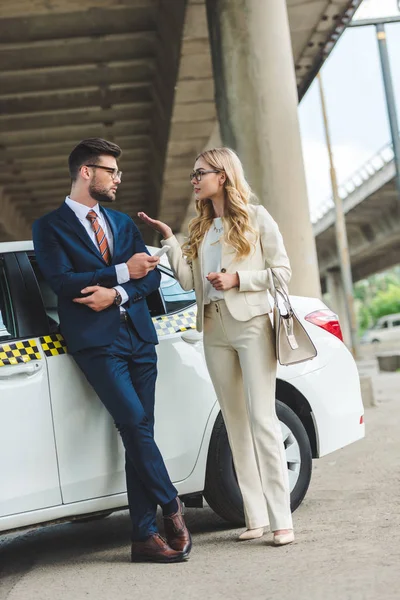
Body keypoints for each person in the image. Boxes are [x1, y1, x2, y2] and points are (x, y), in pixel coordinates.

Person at [32, 138, 191, 563]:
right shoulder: (48, 227)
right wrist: (123, 271)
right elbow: (62, 280)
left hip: (139, 337)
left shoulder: (122, 223)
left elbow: (151, 279)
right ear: (87, 172)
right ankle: (172, 507)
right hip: (96, 344)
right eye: (111, 171)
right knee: (135, 423)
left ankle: (142, 538)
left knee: (140, 432)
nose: (118, 178)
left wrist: (116, 294)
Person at [139, 147, 294, 546]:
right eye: (194, 174)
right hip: (213, 329)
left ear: (222, 176)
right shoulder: (202, 229)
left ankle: (282, 520)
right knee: (235, 423)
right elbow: (190, 284)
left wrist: (239, 281)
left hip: (252, 326)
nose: (194, 179)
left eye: (199, 173)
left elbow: (282, 272)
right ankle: (255, 517)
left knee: (262, 420)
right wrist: (170, 241)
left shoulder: (256, 219)